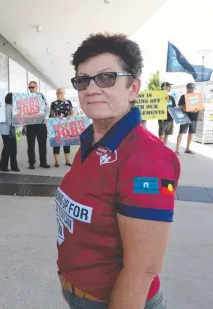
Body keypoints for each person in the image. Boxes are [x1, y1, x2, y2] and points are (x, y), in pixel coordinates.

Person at [58, 33, 180, 309]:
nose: (91, 89)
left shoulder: (149, 160)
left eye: (106, 78)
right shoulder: (91, 139)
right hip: (79, 294)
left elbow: (144, 269)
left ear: (133, 88)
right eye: (82, 80)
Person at [24, 81, 50, 169]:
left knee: (42, 144)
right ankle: (31, 163)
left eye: (32, 87)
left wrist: (46, 119)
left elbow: (47, 108)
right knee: (31, 144)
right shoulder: (25, 98)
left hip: (41, 123)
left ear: (36, 87)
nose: (31, 89)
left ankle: (43, 162)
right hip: (30, 124)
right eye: (29, 88)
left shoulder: (41, 96)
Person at [50, 88, 74, 167]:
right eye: (56, 93)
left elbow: (72, 112)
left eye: (59, 93)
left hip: (66, 125)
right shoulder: (53, 103)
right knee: (56, 143)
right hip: (57, 125)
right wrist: (55, 117)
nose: (57, 94)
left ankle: (67, 161)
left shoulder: (68, 102)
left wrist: (70, 115)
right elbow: (51, 115)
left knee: (67, 143)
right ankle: (56, 162)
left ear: (63, 93)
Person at [0, 93, 19, 172]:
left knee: (6, 148)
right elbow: (10, 120)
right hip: (10, 131)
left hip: (3, 130)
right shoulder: (11, 108)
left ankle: (3, 166)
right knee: (12, 149)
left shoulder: (2, 108)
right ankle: (13, 166)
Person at [175, 82, 198, 154]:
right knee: (181, 132)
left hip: (194, 117)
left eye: (193, 88)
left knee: (191, 133)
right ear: (187, 88)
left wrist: (197, 108)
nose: (192, 89)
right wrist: (187, 107)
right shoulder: (183, 96)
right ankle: (177, 150)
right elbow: (180, 106)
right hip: (185, 117)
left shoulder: (197, 96)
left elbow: (200, 105)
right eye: (190, 87)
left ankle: (187, 148)